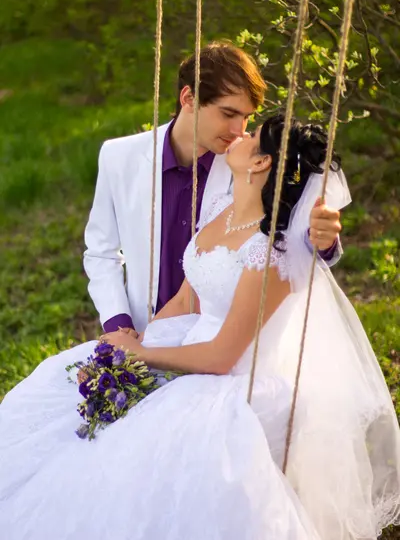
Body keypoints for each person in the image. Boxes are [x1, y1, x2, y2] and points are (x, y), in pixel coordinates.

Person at [0, 116, 399, 540]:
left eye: (251, 134)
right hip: (182, 344)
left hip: (229, 379)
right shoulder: (221, 211)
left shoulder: (271, 252)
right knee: (65, 414)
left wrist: (143, 357)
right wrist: (130, 348)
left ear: (262, 163)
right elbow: (187, 298)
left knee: (131, 458)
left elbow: (221, 356)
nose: (240, 133)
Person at [83, 41, 343, 340]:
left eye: (246, 117)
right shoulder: (118, 157)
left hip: (218, 340)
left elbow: (286, 239)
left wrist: (323, 240)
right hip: (139, 332)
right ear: (189, 97)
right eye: (228, 113)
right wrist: (119, 324)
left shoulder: (247, 167)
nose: (239, 129)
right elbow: (101, 252)